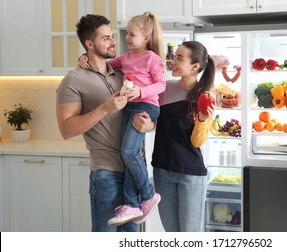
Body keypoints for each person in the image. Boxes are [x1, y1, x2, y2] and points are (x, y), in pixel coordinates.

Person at [56, 14, 153, 232]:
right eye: (106, 38)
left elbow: (144, 108)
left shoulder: (122, 74)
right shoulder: (73, 80)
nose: (113, 41)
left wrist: (150, 126)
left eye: (112, 36)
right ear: (90, 44)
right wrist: (104, 108)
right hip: (106, 173)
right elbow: (66, 129)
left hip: (134, 173)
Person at [79, 12, 166, 227]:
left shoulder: (152, 58)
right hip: (130, 108)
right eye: (127, 33)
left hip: (146, 106)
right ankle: (131, 204)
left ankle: (148, 194)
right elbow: (104, 63)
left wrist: (141, 91)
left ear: (146, 37)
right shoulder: (125, 59)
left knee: (128, 152)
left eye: (132, 34)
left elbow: (161, 85)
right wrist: (84, 56)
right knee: (128, 154)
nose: (126, 38)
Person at [139, 40, 216, 231]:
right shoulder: (164, 88)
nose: (173, 61)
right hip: (162, 170)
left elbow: (197, 141)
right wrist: (148, 125)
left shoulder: (205, 96)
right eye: (174, 56)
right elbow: (156, 123)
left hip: (190, 172)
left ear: (195, 67)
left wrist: (204, 119)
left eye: (180, 58)